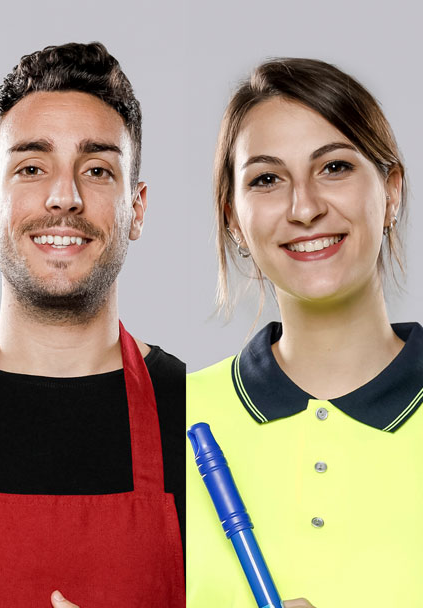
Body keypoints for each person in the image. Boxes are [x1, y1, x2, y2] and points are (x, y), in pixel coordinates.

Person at [0, 42, 184, 608]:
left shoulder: (201, 415)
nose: (64, 197)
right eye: (31, 167)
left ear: (136, 208)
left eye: (96, 169)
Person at [187, 57, 419, 608]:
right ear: (233, 221)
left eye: (334, 167)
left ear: (391, 192)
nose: (305, 207)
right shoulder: (162, 416)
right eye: (267, 179)